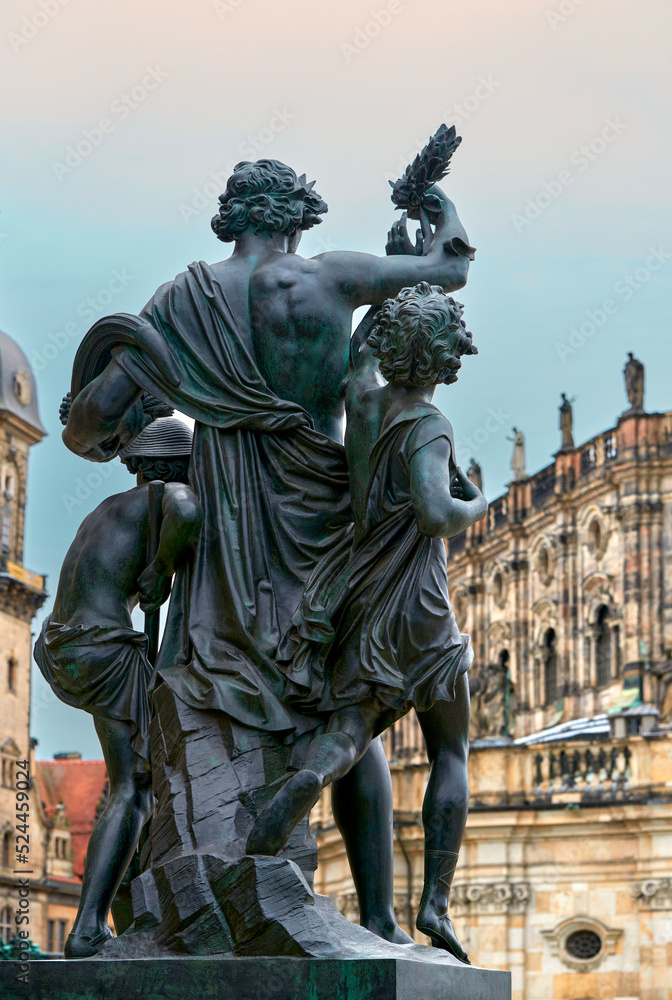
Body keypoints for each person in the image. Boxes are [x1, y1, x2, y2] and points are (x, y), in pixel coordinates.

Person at [60, 158, 476, 945]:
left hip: (228, 539)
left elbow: (87, 427)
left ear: (231, 217)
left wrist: (107, 407)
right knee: (348, 706)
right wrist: (433, 201)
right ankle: (383, 916)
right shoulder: (332, 277)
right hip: (326, 519)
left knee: (225, 700)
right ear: (300, 214)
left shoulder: (180, 300)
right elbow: (449, 264)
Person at [247, 283, 487, 963]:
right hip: (421, 609)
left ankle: (303, 781)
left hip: (362, 597)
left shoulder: (364, 400)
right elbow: (438, 514)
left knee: (350, 730)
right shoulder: (429, 425)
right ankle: (435, 902)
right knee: (450, 748)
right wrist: (478, 503)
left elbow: (358, 356)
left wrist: (389, 299)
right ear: (448, 358)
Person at [34, 415, 203, 958]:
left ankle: (112, 914)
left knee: (126, 778)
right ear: (173, 465)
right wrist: (161, 567)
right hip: (103, 646)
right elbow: (187, 510)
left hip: (60, 643)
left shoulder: (107, 509)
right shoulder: (167, 494)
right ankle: (87, 926)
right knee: (135, 787)